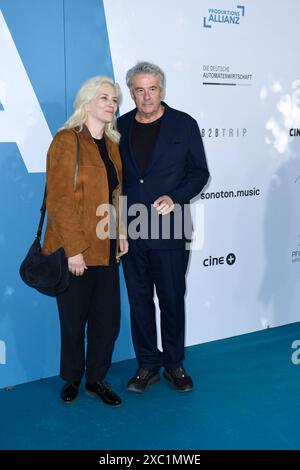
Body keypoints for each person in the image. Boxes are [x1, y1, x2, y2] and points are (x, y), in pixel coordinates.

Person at [118, 62, 209, 393]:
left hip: (171, 226)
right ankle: (147, 365)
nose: (146, 96)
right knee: (139, 299)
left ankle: (174, 364)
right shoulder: (121, 126)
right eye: (139, 90)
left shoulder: (184, 124)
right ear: (131, 93)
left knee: (171, 298)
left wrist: (176, 196)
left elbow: (199, 173)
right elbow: (116, 182)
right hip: (132, 229)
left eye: (152, 89)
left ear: (162, 90)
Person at [43, 76, 128, 405]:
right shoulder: (67, 140)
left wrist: (121, 232)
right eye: (105, 97)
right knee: (74, 321)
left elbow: (118, 193)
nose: (111, 103)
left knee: (107, 322)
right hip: (75, 252)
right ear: (87, 102)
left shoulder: (112, 144)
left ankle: (96, 379)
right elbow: (59, 199)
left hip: (106, 249)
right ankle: (73, 378)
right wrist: (74, 251)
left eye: (115, 99)